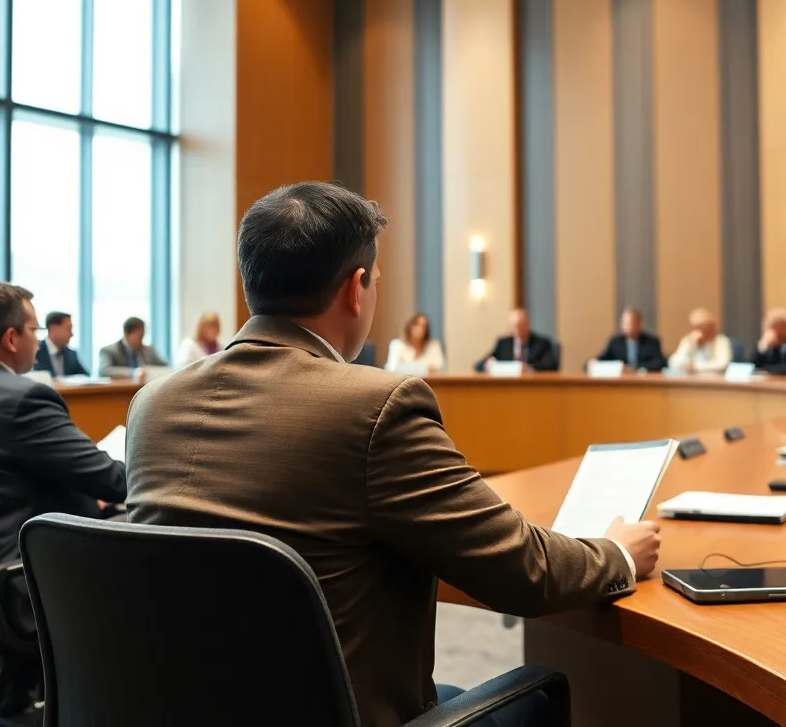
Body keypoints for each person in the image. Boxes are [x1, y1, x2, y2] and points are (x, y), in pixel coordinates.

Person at [124, 182, 660, 727]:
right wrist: (616, 552)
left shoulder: (151, 406)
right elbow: (523, 570)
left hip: (186, 708)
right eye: (376, 281)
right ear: (356, 289)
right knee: (537, 699)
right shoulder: (376, 406)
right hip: (339, 711)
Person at [0, 283, 127, 713]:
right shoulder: (22, 399)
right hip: (19, 590)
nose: (38, 340)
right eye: (34, 329)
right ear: (11, 338)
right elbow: (112, 479)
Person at [474, 308, 559, 373]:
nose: (516, 330)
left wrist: (529, 368)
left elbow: (552, 366)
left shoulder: (542, 343)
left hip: (533, 388)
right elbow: (478, 365)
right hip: (506, 388)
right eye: (513, 326)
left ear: (527, 326)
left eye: (519, 326)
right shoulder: (503, 344)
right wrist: (488, 364)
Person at [593, 306, 666, 372]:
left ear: (639, 323)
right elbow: (604, 358)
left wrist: (633, 369)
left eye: (630, 323)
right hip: (621, 383)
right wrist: (594, 362)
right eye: (625, 323)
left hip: (644, 382)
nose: (628, 327)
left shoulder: (652, 342)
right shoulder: (615, 342)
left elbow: (659, 363)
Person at [98, 317, 167, 380]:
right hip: (122, 390)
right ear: (127, 333)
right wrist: (134, 373)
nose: (142, 340)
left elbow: (164, 367)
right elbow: (104, 371)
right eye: (140, 336)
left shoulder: (148, 350)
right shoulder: (109, 350)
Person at [667, 308, 732, 373]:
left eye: (701, 327)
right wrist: (689, 348)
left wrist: (696, 367)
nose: (698, 330)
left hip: (714, 380)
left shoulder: (721, 341)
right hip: (689, 380)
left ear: (711, 327)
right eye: (694, 327)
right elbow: (673, 363)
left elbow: (722, 365)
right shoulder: (688, 341)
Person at [33, 310, 88, 377]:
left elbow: (86, 378)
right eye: (68, 329)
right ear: (53, 329)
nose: (72, 334)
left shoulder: (71, 355)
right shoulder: (35, 351)